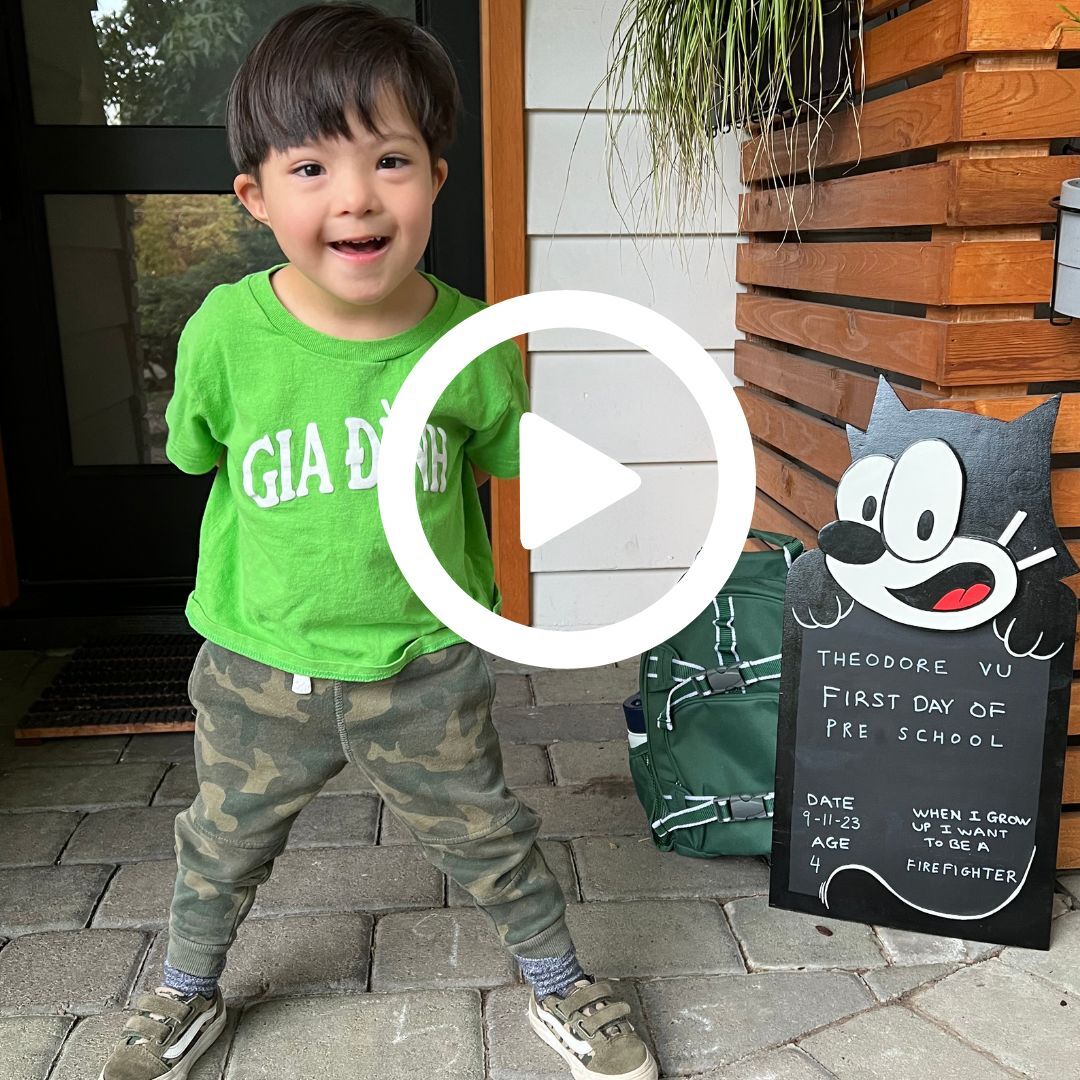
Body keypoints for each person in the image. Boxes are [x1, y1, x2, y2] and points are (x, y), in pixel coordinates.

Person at [99, 5, 657, 1080]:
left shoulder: (472, 339)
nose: (355, 197)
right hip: (262, 657)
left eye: (390, 160)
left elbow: (509, 459)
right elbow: (191, 452)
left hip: (423, 665)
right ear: (256, 196)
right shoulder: (224, 332)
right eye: (311, 167)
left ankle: (560, 982)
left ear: (436, 179)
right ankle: (181, 990)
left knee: (489, 836)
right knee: (221, 842)